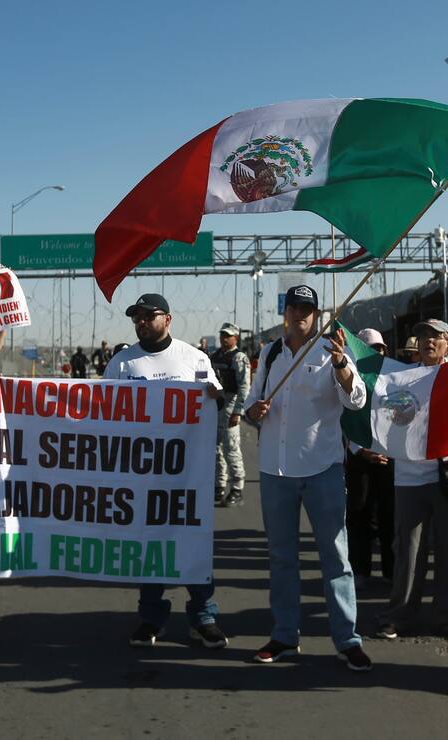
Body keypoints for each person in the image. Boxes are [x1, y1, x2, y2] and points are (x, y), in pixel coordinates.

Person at [245, 284, 372, 671]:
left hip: (322, 469)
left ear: (316, 313)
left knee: (335, 557)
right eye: (294, 307)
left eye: (307, 308)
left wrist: (342, 368)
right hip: (275, 469)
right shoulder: (268, 353)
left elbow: (357, 399)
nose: (300, 313)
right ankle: (285, 635)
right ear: (284, 311)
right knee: (282, 558)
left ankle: (347, 640)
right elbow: (251, 404)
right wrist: (256, 411)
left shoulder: (331, 351)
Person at [104, 293, 228, 650]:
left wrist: (210, 395)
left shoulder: (194, 357)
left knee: (194, 544)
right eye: (136, 318)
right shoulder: (123, 363)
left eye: (148, 316)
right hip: (142, 475)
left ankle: (204, 617)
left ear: (167, 319)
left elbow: (215, 401)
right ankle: (150, 618)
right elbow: (103, 412)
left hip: (188, 473)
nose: (141, 322)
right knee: (150, 548)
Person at [375, 319, 448, 643]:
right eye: (423, 335)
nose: (428, 341)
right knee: (408, 550)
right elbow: (389, 415)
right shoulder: (401, 378)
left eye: (437, 337)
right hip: (410, 476)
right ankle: (399, 615)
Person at [345, 328, 395, 586]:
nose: (375, 353)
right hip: (359, 457)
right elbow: (342, 418)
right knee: (359, 514)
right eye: (368, 349)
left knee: (389, 515)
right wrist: (361, 450)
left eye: (378, 348)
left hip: (389, 458)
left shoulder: (395, 377)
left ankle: (391, 571)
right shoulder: (347, 379)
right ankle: (360, 570)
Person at [209, 322, 251, 507]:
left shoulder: (239, 358)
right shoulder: (215, 356)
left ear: (236, 338)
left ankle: (237, 488)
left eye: (228, 335)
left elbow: (244, 386)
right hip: (215, 404)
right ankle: (218, 486)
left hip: (231, 403)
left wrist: (238, 411)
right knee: (215, 449)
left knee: (231, 448)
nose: (224, 339)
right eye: (222, 335)